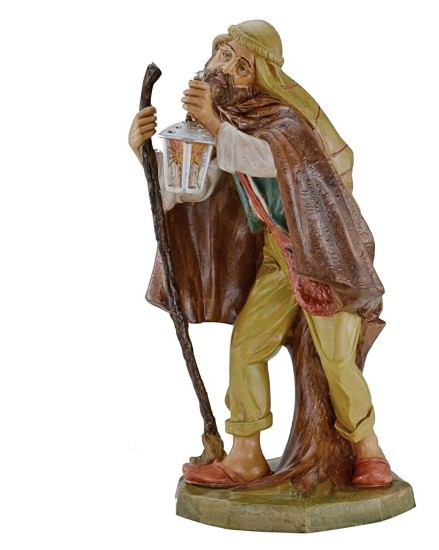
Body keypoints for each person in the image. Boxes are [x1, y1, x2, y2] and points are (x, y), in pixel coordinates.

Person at [129, 20, 392, 488]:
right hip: (277, 256)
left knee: (336, 357)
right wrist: (143, 152)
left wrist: (215, 125)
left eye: (242, 65)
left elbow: (266, 159)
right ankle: (246, 454)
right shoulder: (226, 124)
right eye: (224, 55)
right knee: (247, 346)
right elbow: (192, 188)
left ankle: (368, 448)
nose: (226, 68)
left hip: (320, 255)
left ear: (260, 78)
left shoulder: (283, 120)